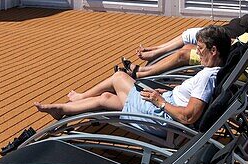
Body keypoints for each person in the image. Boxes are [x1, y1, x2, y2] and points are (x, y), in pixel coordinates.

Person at [34, 26, 231, 133]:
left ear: (213, 51)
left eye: (200, 48)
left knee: (119, 77)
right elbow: (191, 101)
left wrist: (160, 102)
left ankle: (80, 97)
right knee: (105, 98)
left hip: (162, 118)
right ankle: (62, 110)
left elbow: (189, 116)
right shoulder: (213, 72)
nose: (197, 51)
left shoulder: (207, 77)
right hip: (166, 104)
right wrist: (167, 94)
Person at [127, 0, 248, 78]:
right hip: (236, 56)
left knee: (183, 54)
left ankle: (142, 73)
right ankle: (153, 68)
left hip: (236, 65)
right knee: (190, 45)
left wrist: (226, 48)